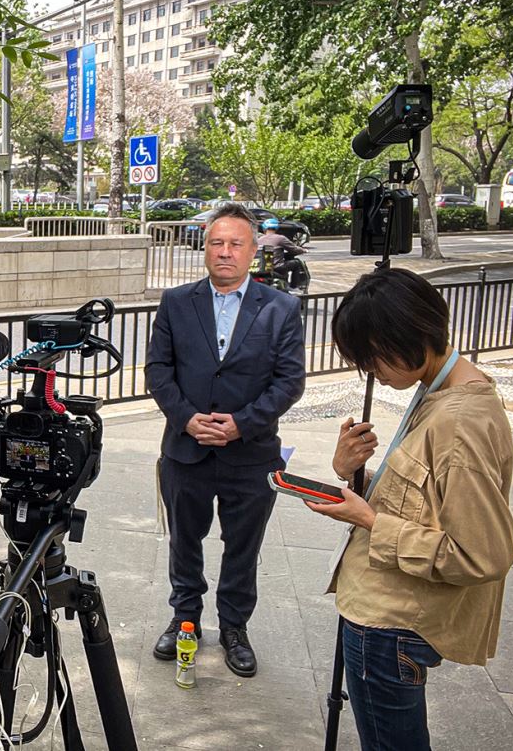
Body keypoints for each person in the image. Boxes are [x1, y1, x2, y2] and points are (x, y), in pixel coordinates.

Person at [305, 267, 513, 750]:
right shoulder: (438, 391)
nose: (371, 374)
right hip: (381, 611)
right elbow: (424, 500)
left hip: (392, 626)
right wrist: (353, 472)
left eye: (372, 359)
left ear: (408, 337)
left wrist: (369, 519)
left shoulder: (460, 422)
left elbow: (481, 555)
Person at [145, 203, 307, 676]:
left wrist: (241, 423)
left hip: (250, 455)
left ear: (254, 250)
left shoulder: (281, 308)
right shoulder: (176, 302)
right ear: (205, 248)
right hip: (185, 450)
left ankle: (235, 627)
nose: (225, 252)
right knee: (184, 542)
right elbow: (158, 369)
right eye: (217, 243)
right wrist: (186, 418)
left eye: (236, 243)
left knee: (243, 546)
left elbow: (289, 381)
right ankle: (185, 619)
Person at [257, 217, 308, 292]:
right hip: (277, 267)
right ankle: (294, 287)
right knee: (297, 263)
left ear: (264, 228)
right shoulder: (281, 238)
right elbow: (294, 249)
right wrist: (304, 250)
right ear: (276, 228)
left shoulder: (259, 240)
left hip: (262, 268)